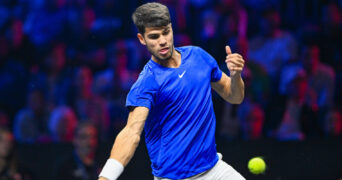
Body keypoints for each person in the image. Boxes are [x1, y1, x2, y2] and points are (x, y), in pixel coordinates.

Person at [99, 2, 245, 180]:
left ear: (172, 29)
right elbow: (131, 132)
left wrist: (236, 76)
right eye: (154, 36)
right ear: (141, 39)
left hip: (215, 169)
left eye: (166, 32)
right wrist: (106, 177)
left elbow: (235, 97)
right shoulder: (146, 83)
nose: (162, 41)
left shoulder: (199, 56)